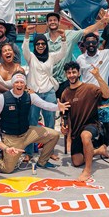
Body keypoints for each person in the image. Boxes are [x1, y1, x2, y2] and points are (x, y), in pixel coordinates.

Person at [0, 72, 67, 173]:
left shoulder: (30, 96)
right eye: (17, 82)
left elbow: (45, 105)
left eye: (22, 82)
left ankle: (42, 162)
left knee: (54, 135)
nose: (19, 85)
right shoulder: (2, 99)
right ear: (13, 84)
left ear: (25, 84)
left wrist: (58, 107)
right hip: (11, 138)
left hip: (27, 133)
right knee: (7, 169)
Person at [21, 25, 67, 161]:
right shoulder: (31, 57)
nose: (40, 46)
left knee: (50, 123)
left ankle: (49, 151)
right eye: (38, 44)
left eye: (43, 43)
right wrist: (27, 35)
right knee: (32, 122)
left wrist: (63, 39)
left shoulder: (52, 57)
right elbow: (24, 48)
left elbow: (63, 53)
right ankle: (29, 152)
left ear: (46, 45)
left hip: (49, 92)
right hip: (33, 94)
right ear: (35, 45)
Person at [60, 62, 109, 182]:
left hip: (92, 125)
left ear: (79, 73)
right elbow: (65, 116)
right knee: (77, 161)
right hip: (76, 131)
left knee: (85, 135)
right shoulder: (65, 93)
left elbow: (107, 94)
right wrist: (64, 127)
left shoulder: (89, 88)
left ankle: (87, 171)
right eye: (69, 73)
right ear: (66, 74)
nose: (72, 75)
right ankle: (98, 150)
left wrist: (98, 77)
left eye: (74, 72)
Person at [44, 10, 109, 100]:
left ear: (59, 22)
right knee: (51, 108)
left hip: (65, 79)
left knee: (67, 107)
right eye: (50, 20)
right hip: (49, 80)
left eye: (55, 20)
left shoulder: (69, 35)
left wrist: (101, 21)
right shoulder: (43, 39)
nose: (52, 22)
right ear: (47, 23)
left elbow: (86, 31)